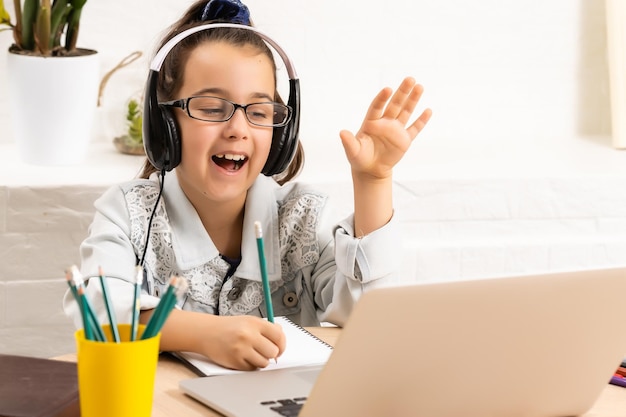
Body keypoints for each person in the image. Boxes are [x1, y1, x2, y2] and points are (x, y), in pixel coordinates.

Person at [63, 0, 432, 371]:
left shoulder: (303, 216)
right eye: (210, 108)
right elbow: (100, 310)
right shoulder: (128, 214)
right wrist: (206, 334)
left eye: (258, 112)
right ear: (165, 126)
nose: (238, 129)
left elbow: (371, 321)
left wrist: (373, 181)